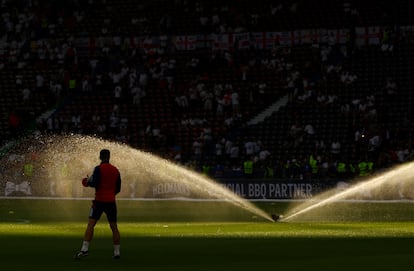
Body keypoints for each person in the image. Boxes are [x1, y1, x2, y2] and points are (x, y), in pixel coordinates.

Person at [74, 149, 122, 260]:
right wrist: (110, 194)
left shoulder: (98, 169)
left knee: (91, 224)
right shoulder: (115, 170)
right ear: (109, 157)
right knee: (114, 227)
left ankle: (84, 250)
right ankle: (117, 252)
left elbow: (94, 182)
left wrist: (86, 182)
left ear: (100, 157)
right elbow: (118, 188)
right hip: (111, 202)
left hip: (99, 201)